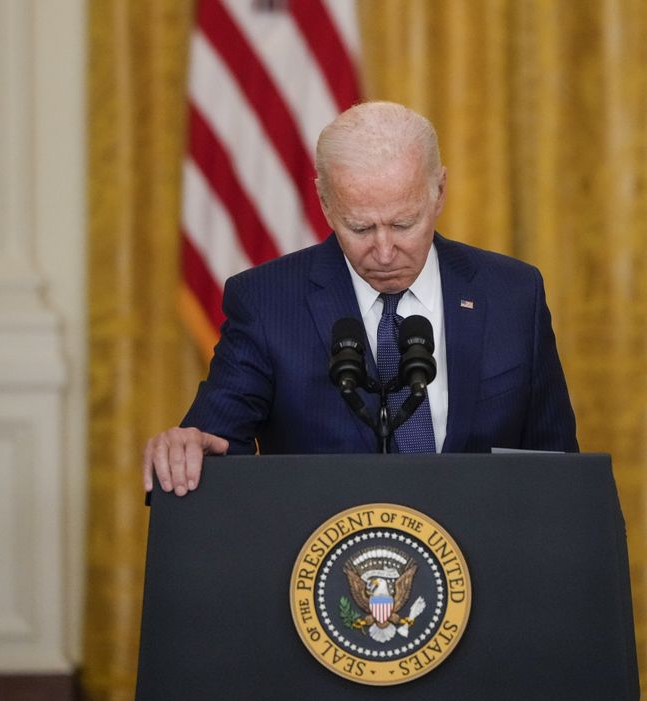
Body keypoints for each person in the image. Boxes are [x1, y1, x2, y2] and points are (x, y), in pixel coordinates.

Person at [144, 101, 577, 496]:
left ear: (439, 191)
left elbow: (556, 472)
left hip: (482, 567)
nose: (385, 251)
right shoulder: (266, 303)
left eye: (404, 224)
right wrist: (189, 447)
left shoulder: (512, 295)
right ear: (326, 205)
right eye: (361, 228)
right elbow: (216, 444)